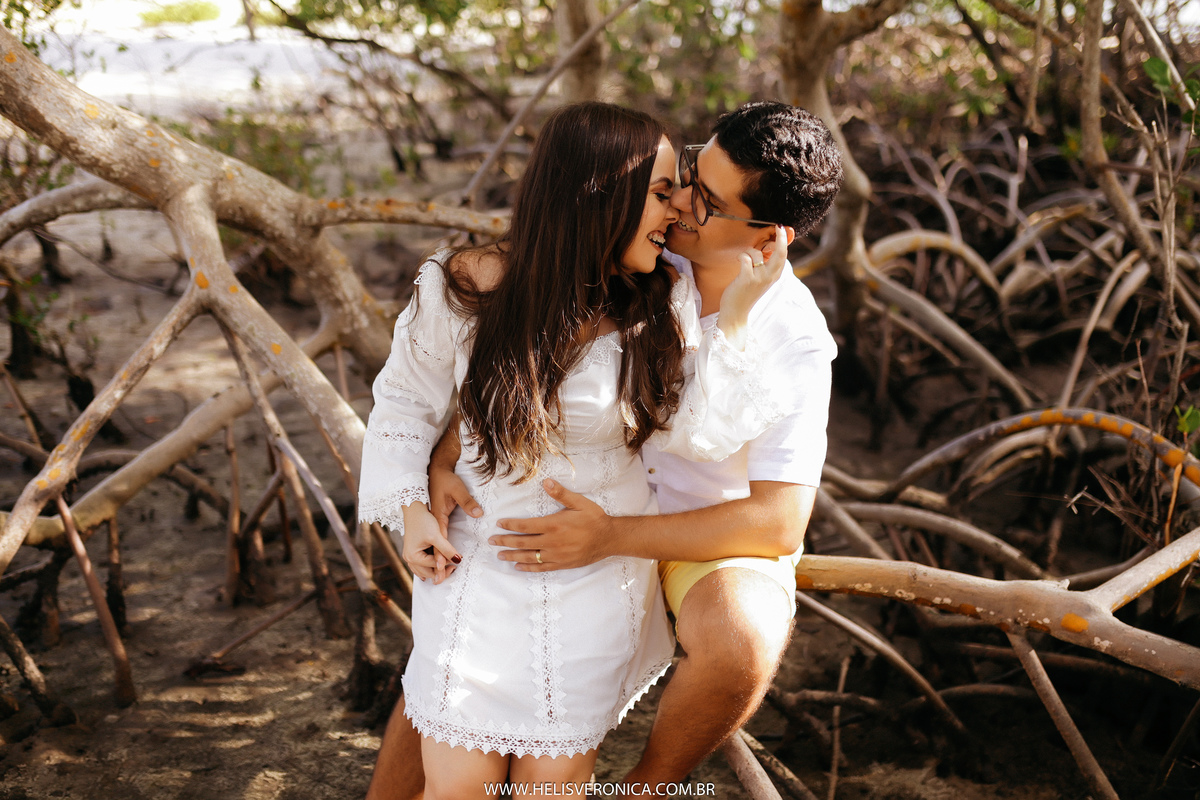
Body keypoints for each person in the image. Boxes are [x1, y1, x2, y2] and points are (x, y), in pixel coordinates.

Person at [364, 101, 843, 798]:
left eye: (704, 201)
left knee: (741, 638)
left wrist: (612, 536)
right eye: (683, 179)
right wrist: (446, 452)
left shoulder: (782, 334)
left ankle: (645, 791)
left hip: (703, 526)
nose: (680, 205)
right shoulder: (650, 251)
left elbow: (774, 523)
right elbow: (507, 332)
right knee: (450, 697)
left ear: (767, 237)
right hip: (532, 510)